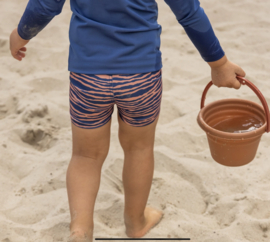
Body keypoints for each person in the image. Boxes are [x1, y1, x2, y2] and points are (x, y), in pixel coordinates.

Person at [9, 0, 245, 241]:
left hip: (88, 75)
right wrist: (219, 63)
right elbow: (189, 12)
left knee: (85, 156)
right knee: (139, 149)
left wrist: (21, 34)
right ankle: (136, 223)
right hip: (141, 75)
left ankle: (80, 231)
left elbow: (44, 5)